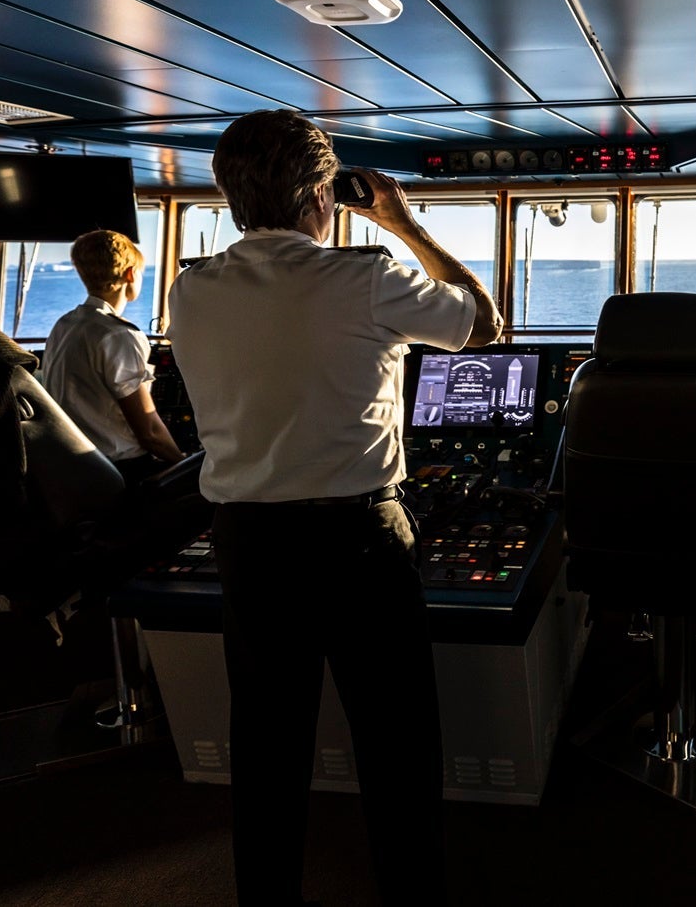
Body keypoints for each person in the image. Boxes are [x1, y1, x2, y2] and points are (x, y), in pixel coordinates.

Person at [165, 110, 501, 906]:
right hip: (358, 540)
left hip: (248, 542)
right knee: (396, 748)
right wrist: (403, 222)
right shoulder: (367, 276)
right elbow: (484, 323)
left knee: (267, 748)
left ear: (229, 194)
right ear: (323, 193)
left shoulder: (191, 288)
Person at [40, 229, 185, 485]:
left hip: (70, 465)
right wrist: (182, 462)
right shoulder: (118, 336)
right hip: (120, 471)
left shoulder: (65, 325)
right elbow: (150, 433)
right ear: (130, 274)